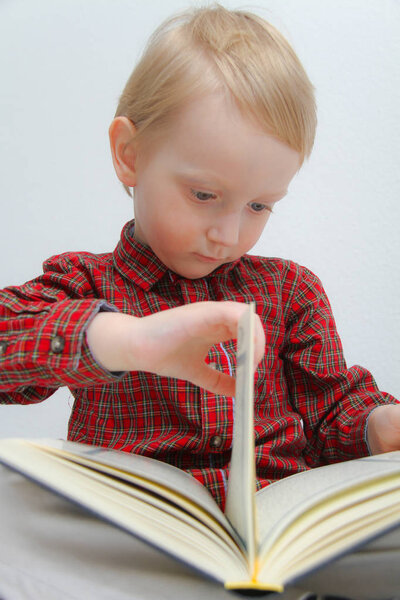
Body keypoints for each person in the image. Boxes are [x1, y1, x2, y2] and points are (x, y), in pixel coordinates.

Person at [0, 4, 398, 511]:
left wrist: (376, 427)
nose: (227, 235)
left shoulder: (291, 291)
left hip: (271, 539)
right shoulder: (85, 281)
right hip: (129, 536)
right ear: (130, 154)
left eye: (259, 206)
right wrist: (127, 340)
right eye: (204, 195)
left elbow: (331, 413)